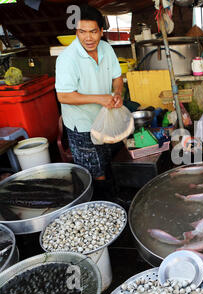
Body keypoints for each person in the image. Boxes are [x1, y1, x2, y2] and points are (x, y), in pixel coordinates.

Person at [55, 5, 123, 196]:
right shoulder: (67, 59)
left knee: (108, 161)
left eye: (93, 32)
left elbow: (117, 78)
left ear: (101, 31)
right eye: (82, 32)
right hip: (82, 125)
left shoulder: (107, 49)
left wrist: (117, 94)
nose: (88, 38)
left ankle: (114, 198)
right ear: (76, 32)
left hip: (106, 119)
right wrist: (100, 98)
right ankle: (101, 203)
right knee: (95, 171)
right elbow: (64, 96)